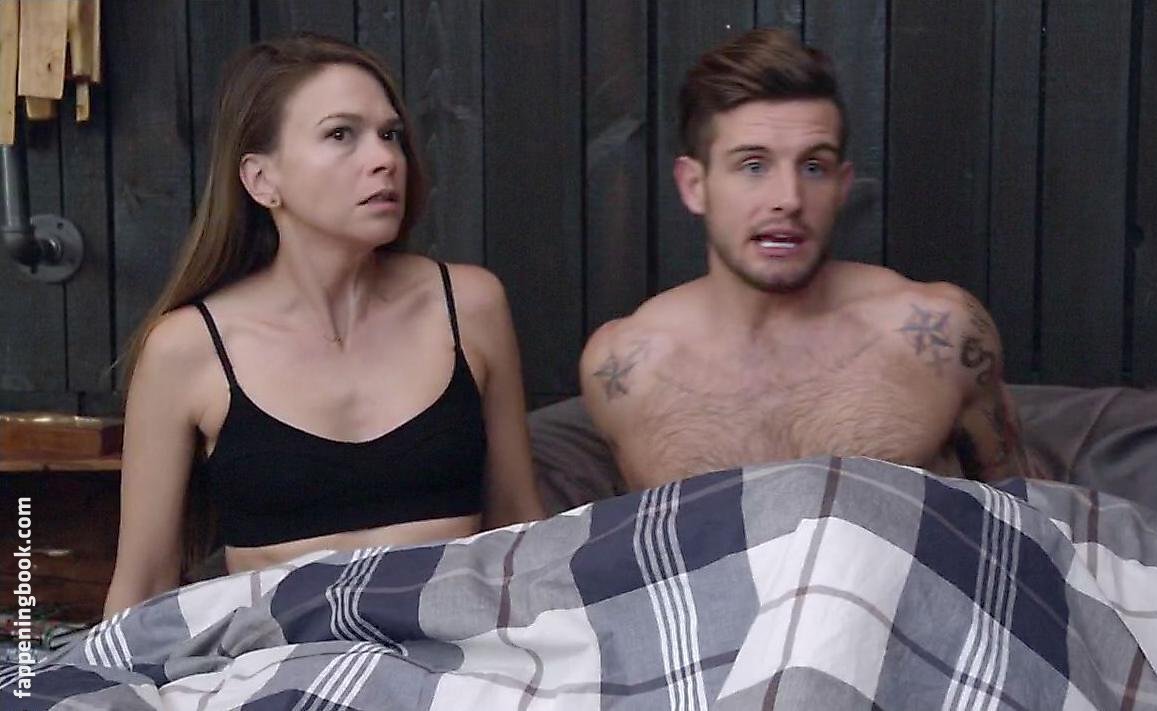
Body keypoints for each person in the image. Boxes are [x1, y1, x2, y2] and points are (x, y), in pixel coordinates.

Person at [104, 35, 543, 616]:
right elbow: (143, 583)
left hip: (458, 643)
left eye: (390, 134)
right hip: (280, 657)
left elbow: (519, 523)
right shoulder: (187, 349)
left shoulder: (469, 305)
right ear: (261, 180)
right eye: (341, 134)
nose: (384, 158)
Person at [580, 28, 1041, 491]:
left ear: (842, 186)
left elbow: (1027, 511)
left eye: (814, 167)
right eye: (753, 166)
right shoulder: (625, 368)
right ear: (694, 186)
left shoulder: (939, 334)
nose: (789, 198)